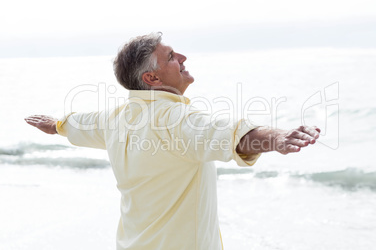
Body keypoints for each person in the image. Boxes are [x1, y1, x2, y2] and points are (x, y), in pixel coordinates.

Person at [25, 32, 320, 250]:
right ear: (152, 79)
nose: (182, 58)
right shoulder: (175, 119)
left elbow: (80, 124)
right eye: (171, 57)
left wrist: (56, 125)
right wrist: (276, 137)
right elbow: (226, 133)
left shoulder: (115, 119)